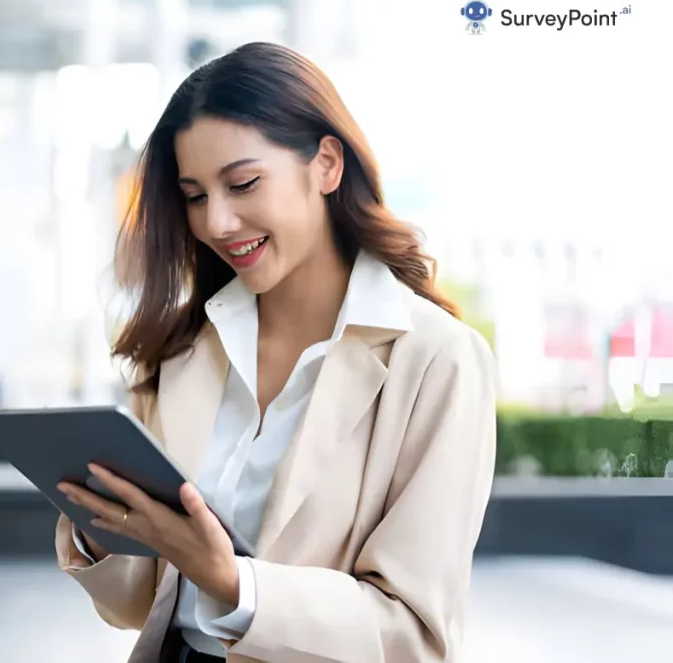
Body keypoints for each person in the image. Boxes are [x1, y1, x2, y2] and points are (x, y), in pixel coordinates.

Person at [54, 42, 497, 663]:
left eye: (243, 183)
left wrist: (233, 581)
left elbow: (412, 637)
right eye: (195, 195)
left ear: (326, 165)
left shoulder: (437, 361)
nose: (218, 222)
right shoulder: (182, 350)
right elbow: (136, 608)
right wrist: (105, 528)